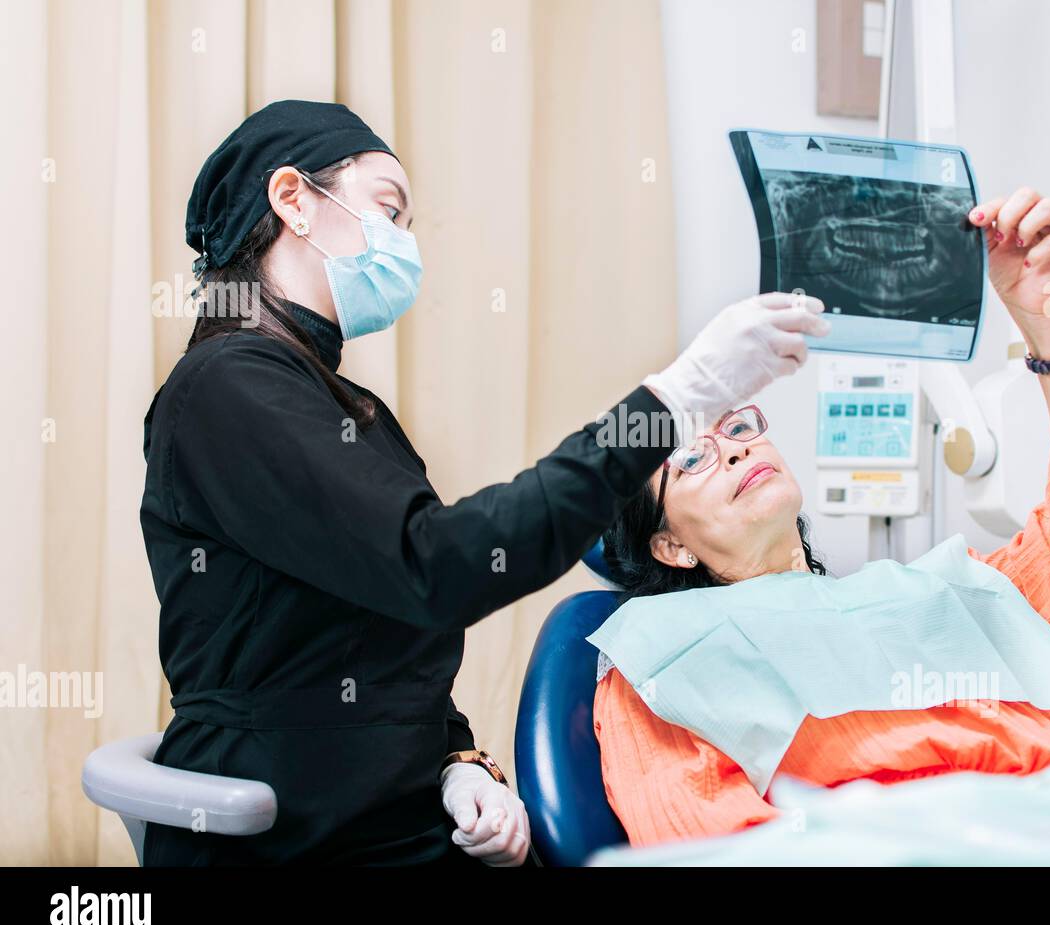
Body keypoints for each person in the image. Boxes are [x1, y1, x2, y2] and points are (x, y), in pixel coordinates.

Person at [139, 99, 828, 865]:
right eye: (387, 210)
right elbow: (441, 567)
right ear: (293, 200)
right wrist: (673, 400)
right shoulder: (225, 391)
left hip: (395, 814)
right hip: (297, 832)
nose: (402, 244)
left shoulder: (336, 404)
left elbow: (384, 636)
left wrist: (459, 761)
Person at [594, 189, 1050, 847]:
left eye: (738, 425)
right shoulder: (662, 654)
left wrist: (1046, 323)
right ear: (669, 544)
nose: (732, 449)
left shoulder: (932, 597)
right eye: (692, 457)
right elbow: (711, 849)